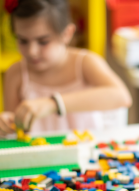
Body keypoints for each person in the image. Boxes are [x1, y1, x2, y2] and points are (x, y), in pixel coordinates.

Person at [0, 0, 132, 136]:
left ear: (67, 34)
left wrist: (53, 104)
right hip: (40, 154)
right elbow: (14, 128)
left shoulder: (85, 63)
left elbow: (121, 96)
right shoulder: (16, 73)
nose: (31, 51)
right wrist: (6, 123)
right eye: (23, 41)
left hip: (87, 151)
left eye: (43, 42)